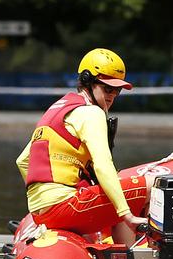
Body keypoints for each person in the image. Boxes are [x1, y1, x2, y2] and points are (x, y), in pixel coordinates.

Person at [15, 48, 150, 244]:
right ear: (87, 81)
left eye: (117, 90)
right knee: (153, 184)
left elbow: (23, 161)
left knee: (120, 190)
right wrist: (126, 215)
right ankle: (133, 257)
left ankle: (122, 250)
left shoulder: (59, 108)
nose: (112, 95)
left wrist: (40, 201)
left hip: (40, 213)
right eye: (107, 88)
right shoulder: (91, 113)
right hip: (67, 207)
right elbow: (103, 165)